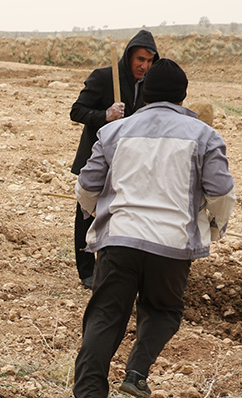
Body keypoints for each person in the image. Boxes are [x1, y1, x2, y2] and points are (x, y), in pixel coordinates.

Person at [72, 59, 236, 398]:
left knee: (104, 315)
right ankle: (136, 373)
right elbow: (221, 192)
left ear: (144, 93)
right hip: (172, 245)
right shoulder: (204, 135)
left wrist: (94, 213)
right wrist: (216, 225)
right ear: (182, 97)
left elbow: (86, 187)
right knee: (163, 310)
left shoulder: (115, 132)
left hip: (119, 242)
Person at [69, 30, 159, 289]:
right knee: (86, 213)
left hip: (129, 163)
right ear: (130, 56)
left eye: (150, 61)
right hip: (97, 159)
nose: (144, 66)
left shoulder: (150, 86)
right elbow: (77, 111)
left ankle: (116, 267)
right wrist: (105, 115)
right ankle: (87, 270)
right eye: (140, 59)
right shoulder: (104, 77)